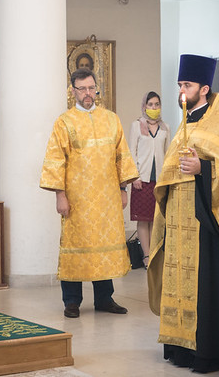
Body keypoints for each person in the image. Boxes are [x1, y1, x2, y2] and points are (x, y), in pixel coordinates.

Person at [147, 54, 219, 373]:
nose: (182, 91)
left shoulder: (218, 124)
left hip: (205, 219)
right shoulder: (183, 122)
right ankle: (182, 348)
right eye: (179, 84)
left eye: (187, 85)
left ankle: (211, 350)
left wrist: (203, 168)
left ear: (204, 88)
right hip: (179, 221)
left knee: (206, 284)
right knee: (179, 279)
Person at [40, 68, 139, 318]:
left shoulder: (111, 119)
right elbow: (55, 161)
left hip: (107, 197)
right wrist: (60, 195)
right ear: (72, 91)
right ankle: (71, 301)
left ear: (97, 88)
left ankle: (104, 298)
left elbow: (121, 156)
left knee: (103, 245)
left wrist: (123, 188)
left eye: (91, 88)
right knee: (76, 245)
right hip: (77, 199)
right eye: (82, 88)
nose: (87, 93)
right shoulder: (64, 122)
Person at [128, 91, 170, 268]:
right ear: (144, 106)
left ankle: (154, 254)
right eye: (150, 104)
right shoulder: (137, 126)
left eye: (156, 104)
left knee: (156, 218)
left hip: (158, 179)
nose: (154, 108)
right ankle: (146, 256)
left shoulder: (165, 127)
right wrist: (134, 176)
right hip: (142, 180)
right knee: (143, 219)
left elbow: (168, 154)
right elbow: (131, 152)